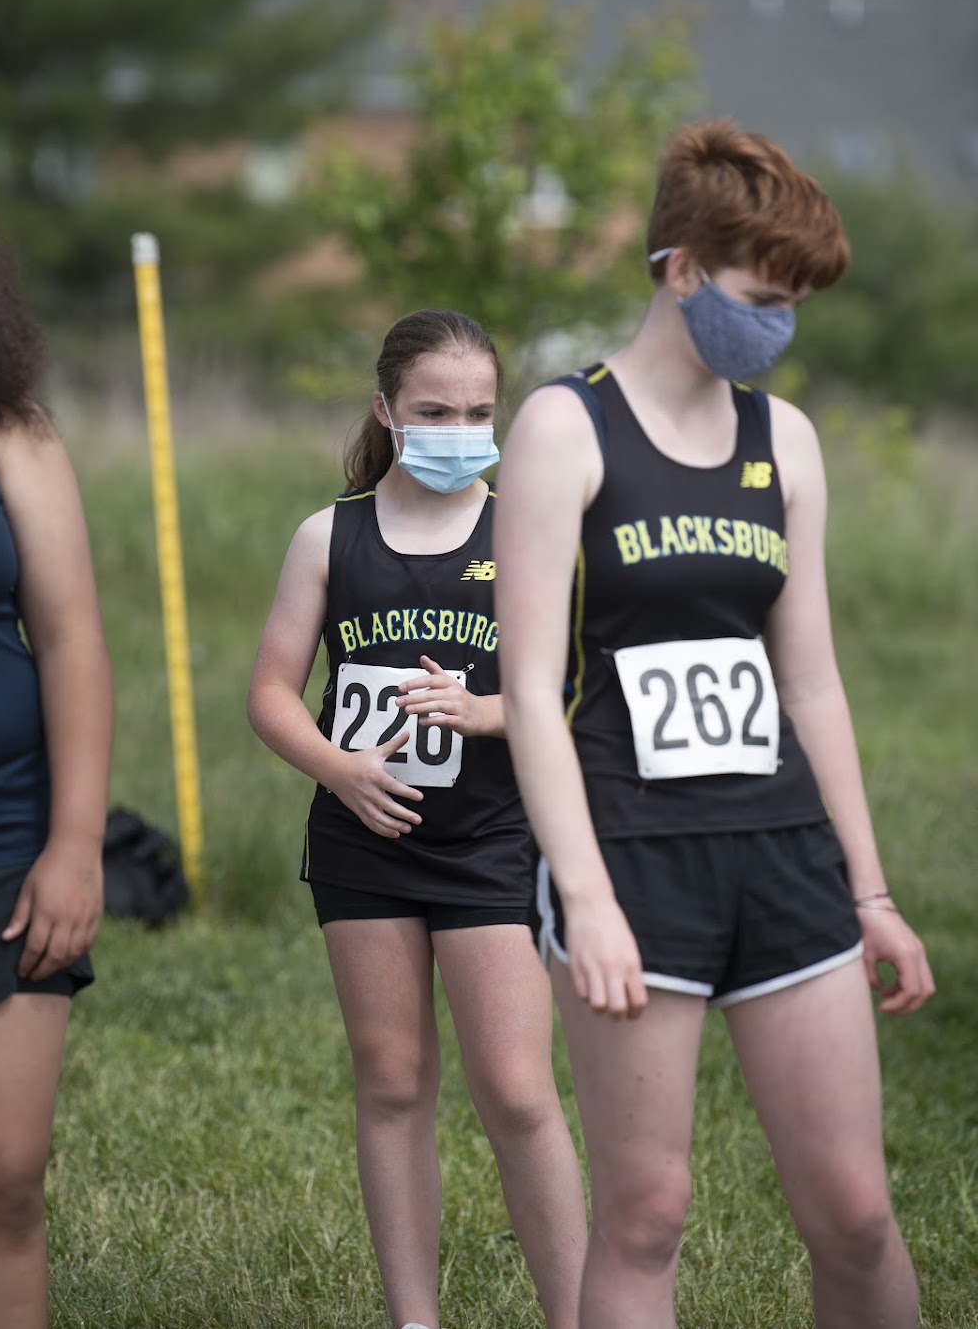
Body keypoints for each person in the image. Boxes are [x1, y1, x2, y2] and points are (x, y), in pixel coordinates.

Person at [493, 119, 935, 1329]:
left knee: (855, 1212)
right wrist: (583, 897)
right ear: (680, 268)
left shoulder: (784, 440)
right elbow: (527, 691)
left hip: (782, 848)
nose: (778, 326)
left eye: (794, 305)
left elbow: (812, 684)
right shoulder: (563, 428)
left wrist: (869, 891)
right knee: (645, 1215)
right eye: (761, 299)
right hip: (633, 857)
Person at [246, 309, 586, 1329]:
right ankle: (413, 1320)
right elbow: (270, 693)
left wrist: (486, 713)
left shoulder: (526, 535)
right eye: (434, 412)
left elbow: (577, 695)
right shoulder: (329, 536)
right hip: (366, 844)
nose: (458, 431)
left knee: (516, 1092)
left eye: (479, 412)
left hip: (491, 841)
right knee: (391, 1081)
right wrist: (338, 769)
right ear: (386, 410)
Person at [0, 215, 113, 1329]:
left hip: (5, 834)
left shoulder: (10, 430)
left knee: (5, 1174)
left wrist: (75, 847)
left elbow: (70, 639)